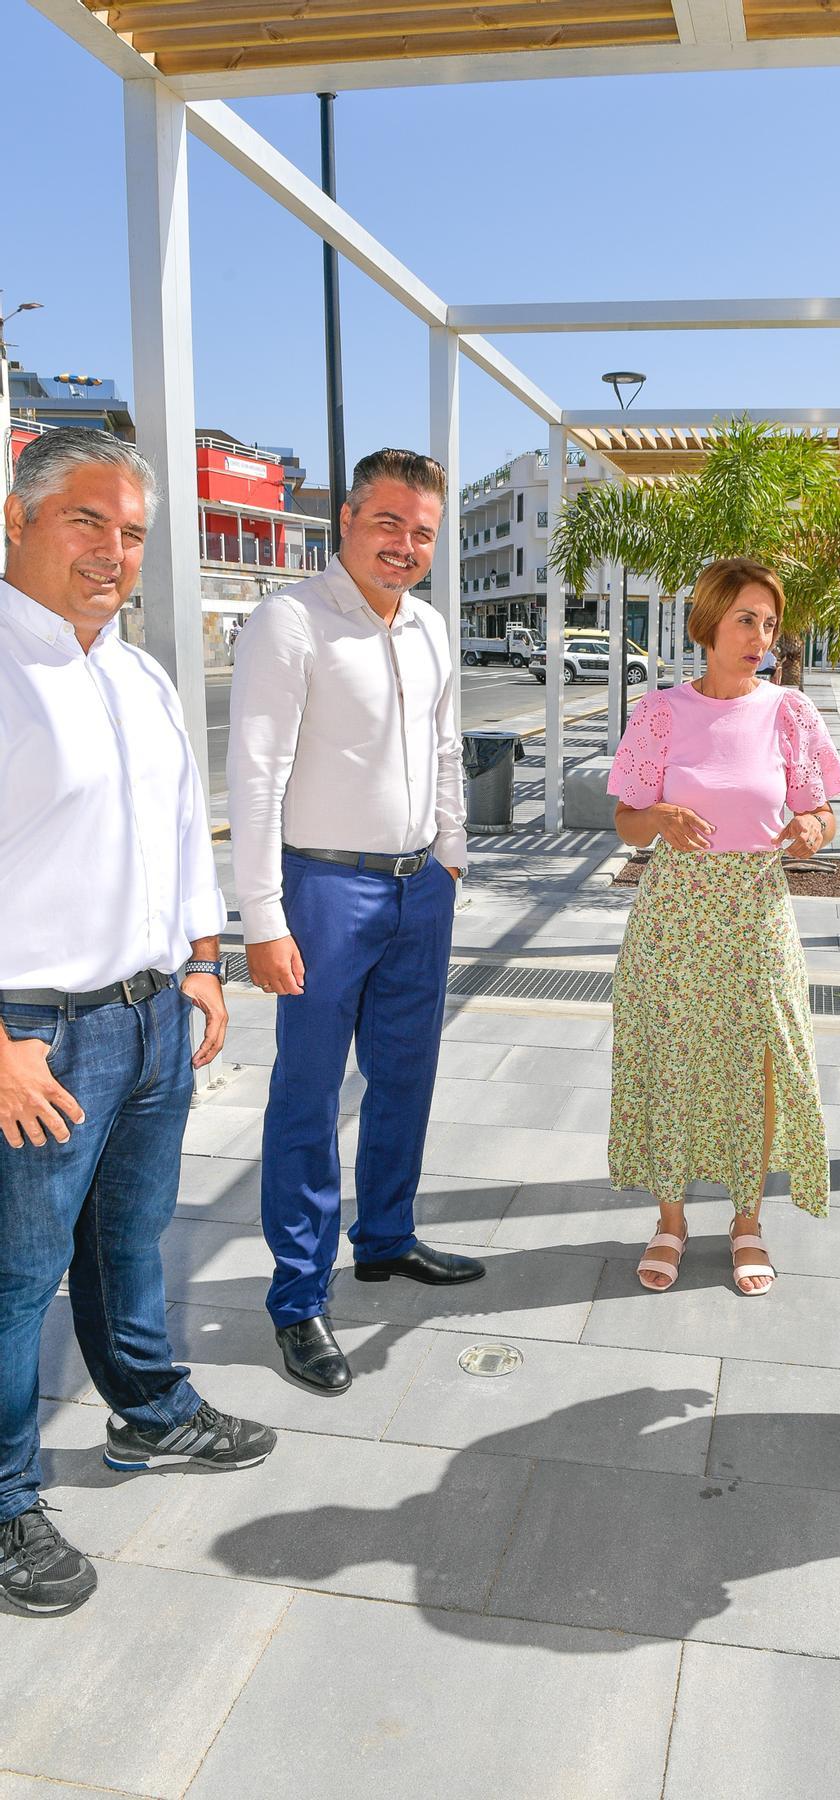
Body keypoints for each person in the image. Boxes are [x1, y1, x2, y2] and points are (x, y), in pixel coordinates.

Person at [0, 428, 276, 1619]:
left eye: (132, 534)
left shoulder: (138, 673)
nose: (113, 552)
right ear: (18, 519)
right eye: (87, 521)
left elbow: (177, 835)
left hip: (153, 1016)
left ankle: (150, 1413)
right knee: (15, 1281)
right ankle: (5, 1499)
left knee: (129, 1241)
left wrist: (204, 964)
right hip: (34, 1036)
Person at [228, 447, 481, 1398]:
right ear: (346, 520)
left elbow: (446, 748)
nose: (406, 545)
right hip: (325, 890)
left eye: (422, 530)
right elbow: (254, 776)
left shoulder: (431, 629)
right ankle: (298, 1298)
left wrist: (452, 855)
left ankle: (385, 1237)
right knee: (306, 1092)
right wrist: (262, 917)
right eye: (389, 523)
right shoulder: (290, 622)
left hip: (421, 888)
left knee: (406, 1074)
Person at [606, 557, 840, 1295]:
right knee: (670, 1058)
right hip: (675, 916)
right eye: (746, 619)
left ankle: (748, 1220)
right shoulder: (658, 713)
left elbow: (823, 813)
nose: (761, 638)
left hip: (756, 911)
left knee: (764, 1059)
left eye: (770, 624)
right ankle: (670, 1220)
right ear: (707, 622)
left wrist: (813, 828)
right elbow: (625, 822)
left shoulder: (790, 712)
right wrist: (657, 818)